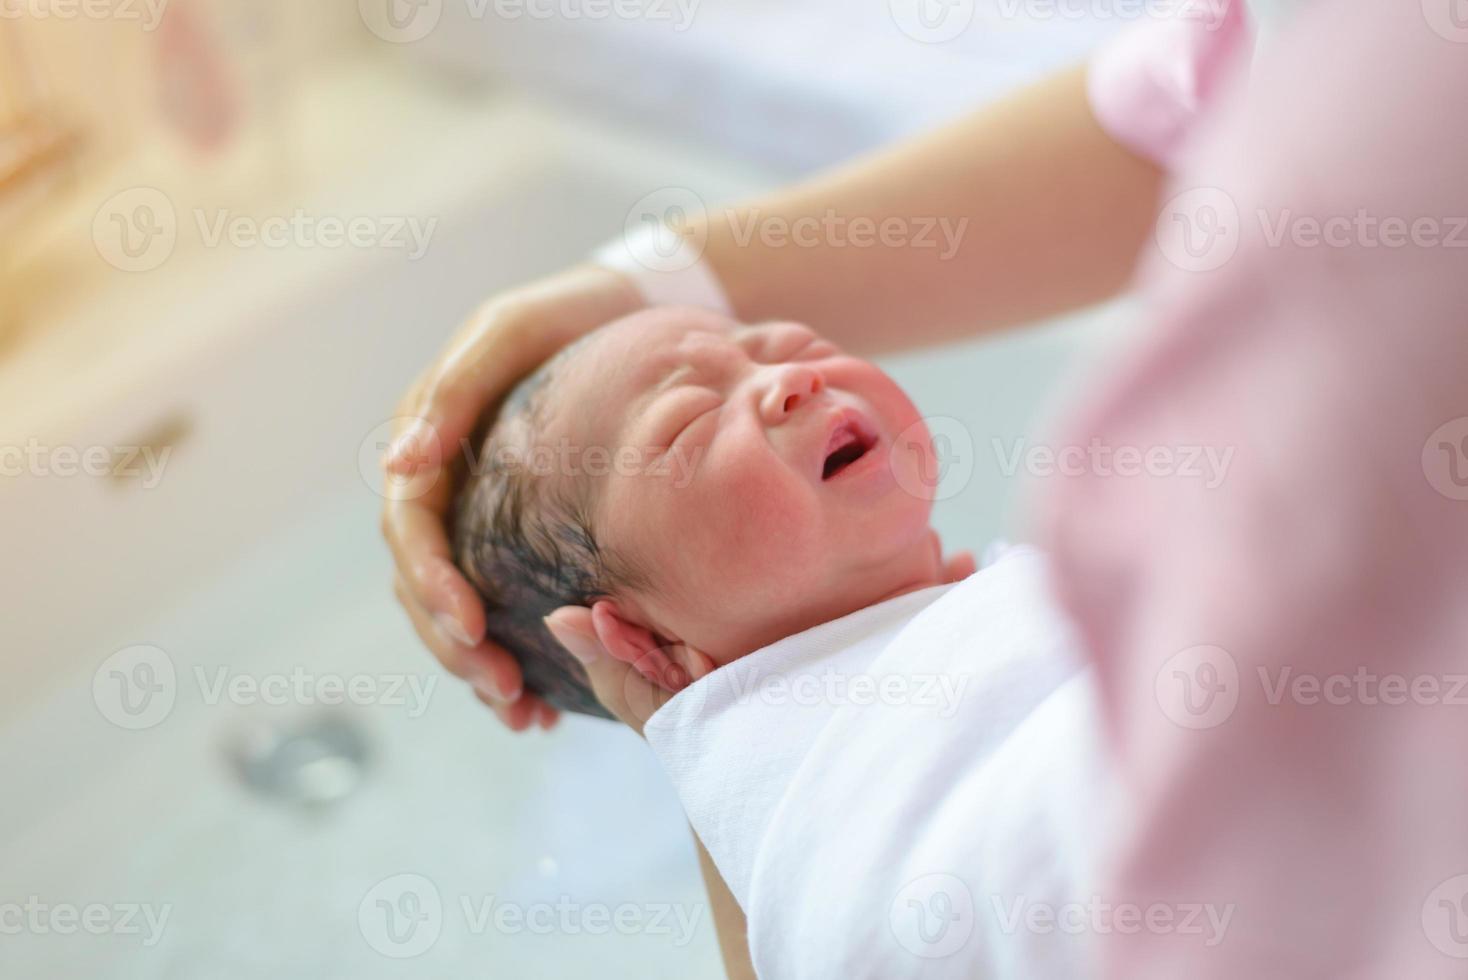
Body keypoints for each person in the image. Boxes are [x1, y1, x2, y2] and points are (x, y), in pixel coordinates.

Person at [384, 2, 1468, 976]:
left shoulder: (992, 629)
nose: (786, 374)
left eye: (779, 342)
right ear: (637, 644)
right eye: (684, 422)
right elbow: (1193, 90)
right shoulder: (812, 796)